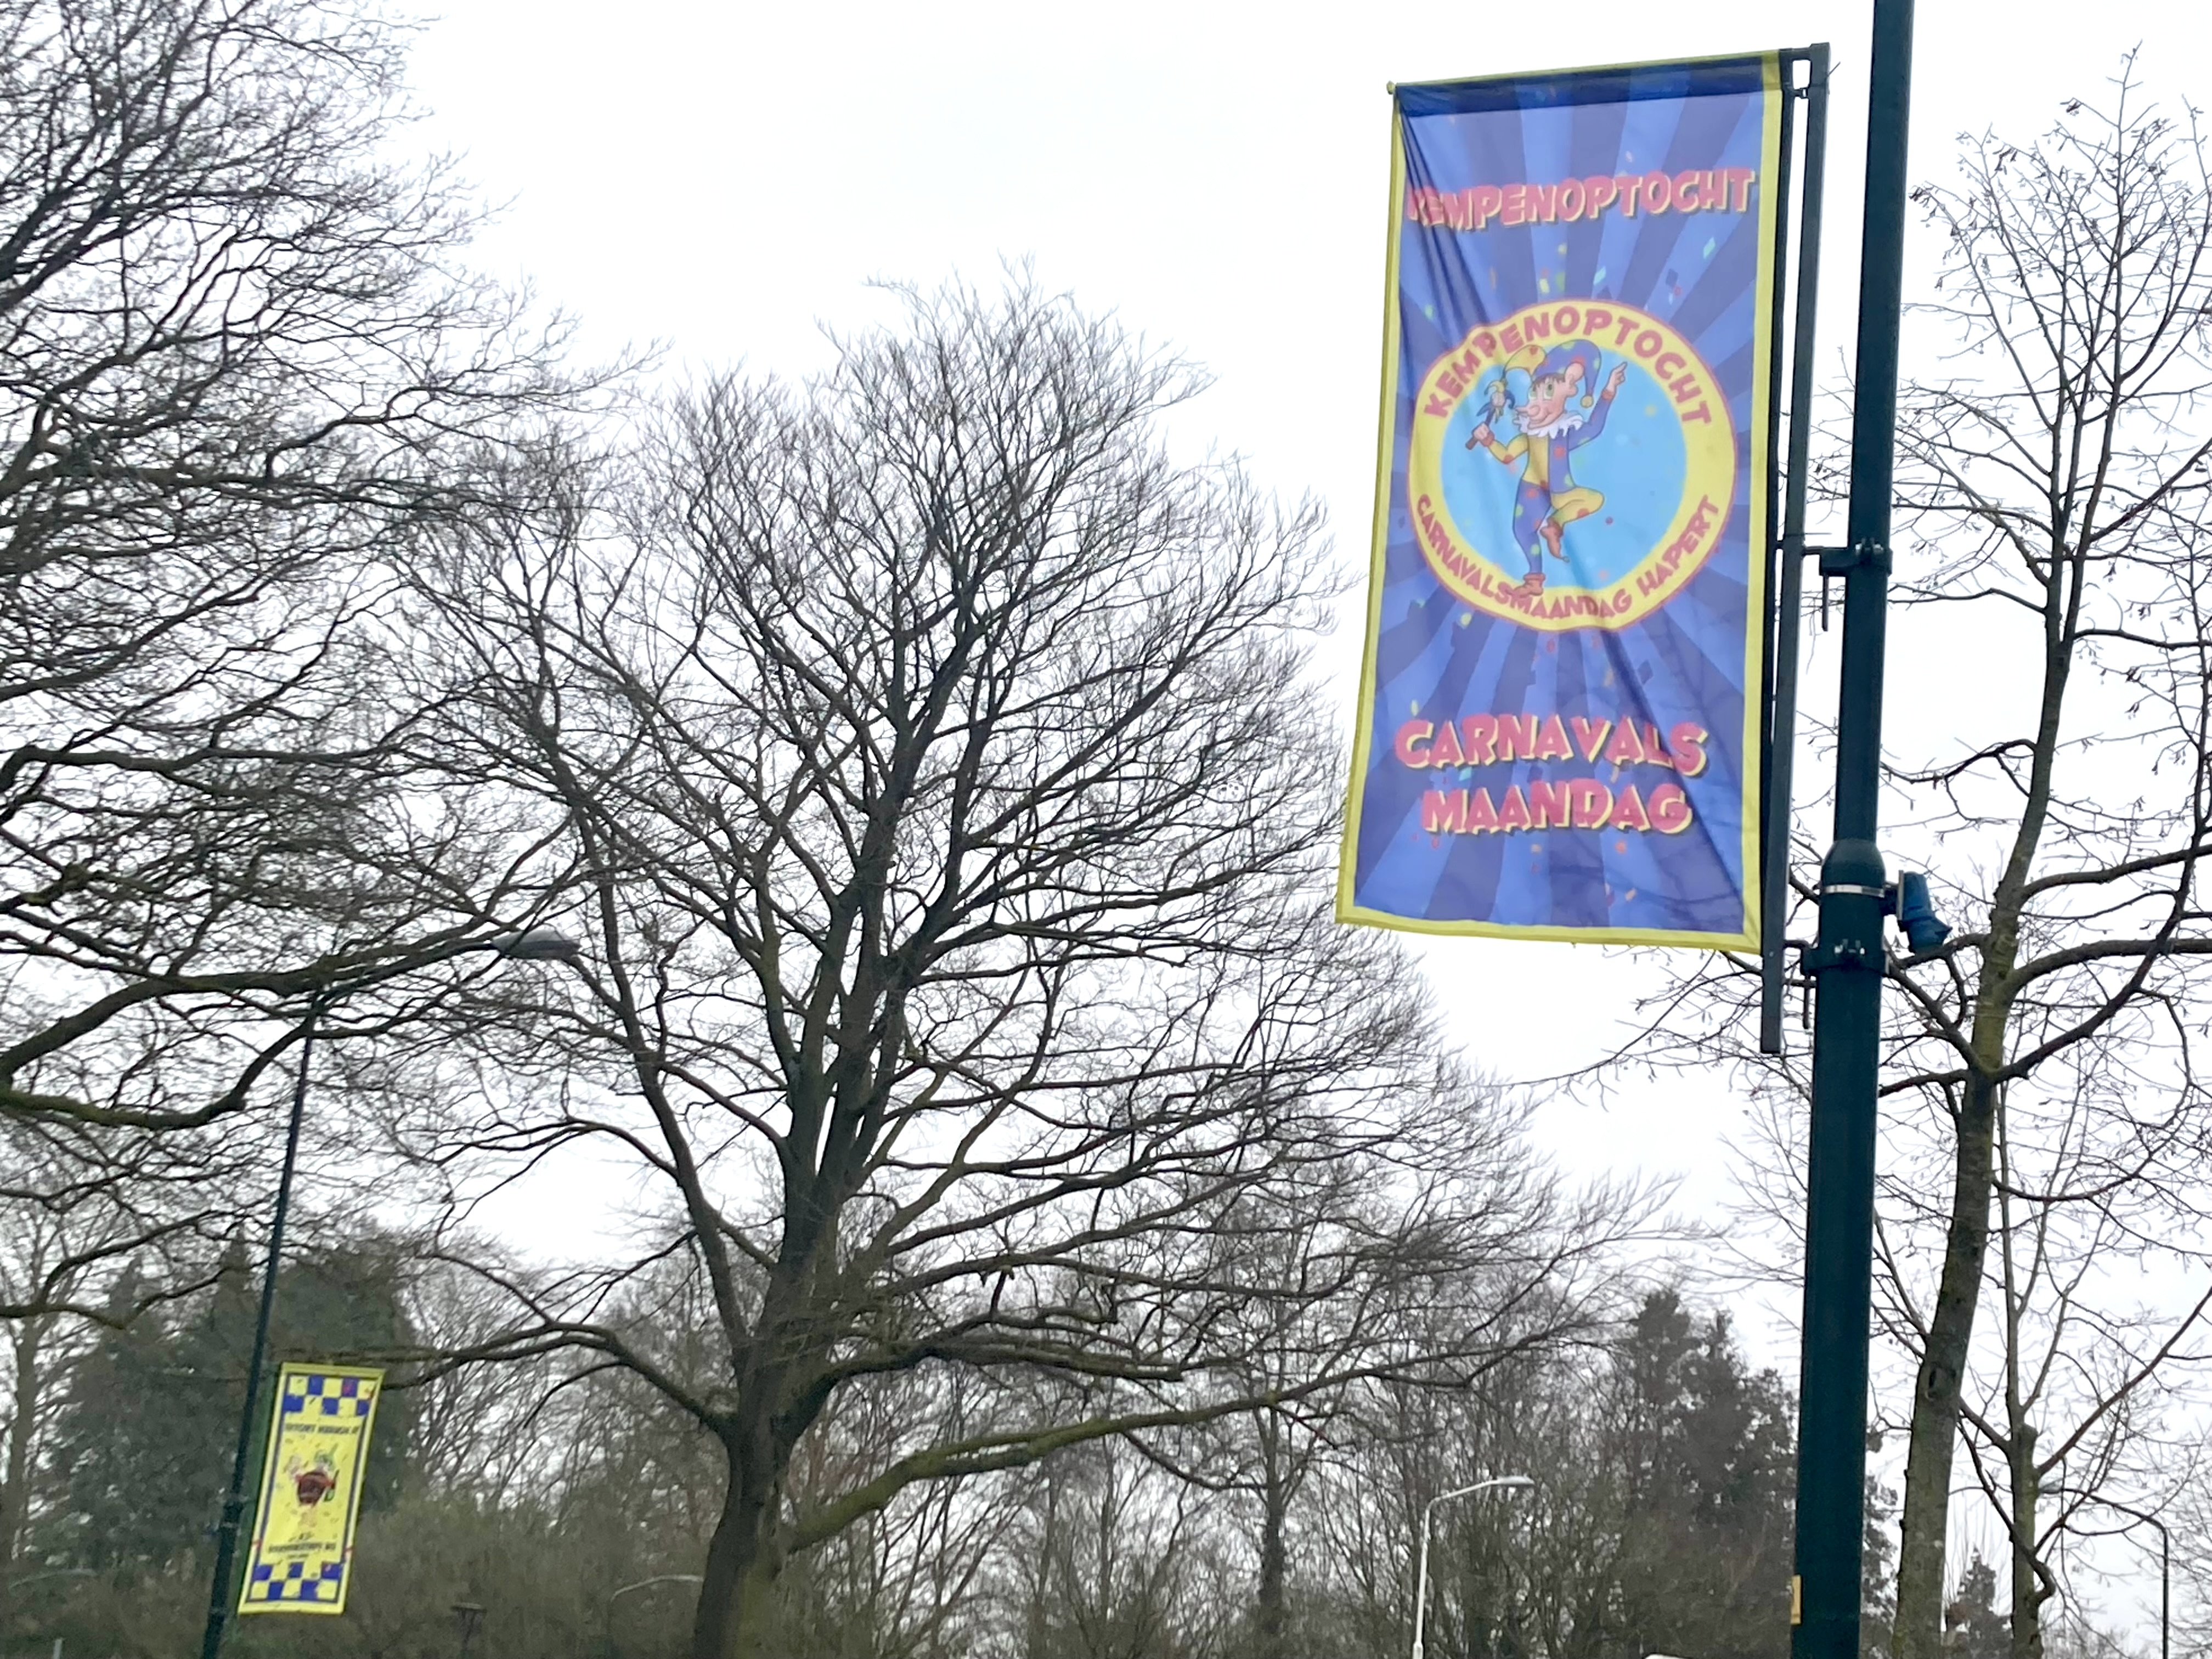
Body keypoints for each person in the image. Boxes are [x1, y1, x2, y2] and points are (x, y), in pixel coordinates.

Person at [1465, 340, 1629, 596]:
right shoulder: (1531, 434)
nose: (1537, 401)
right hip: (1531, 488)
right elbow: (1508, 456)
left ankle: (1556, 523)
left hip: (1562, 490)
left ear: (1570, 390)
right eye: (1535, 393)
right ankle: (1534, 580)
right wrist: (1488, 440)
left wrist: (1608, 391)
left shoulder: (1563, 433)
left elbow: (1593, 429)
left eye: (1549, 391)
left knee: (1594, 498)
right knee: (1522, 530)